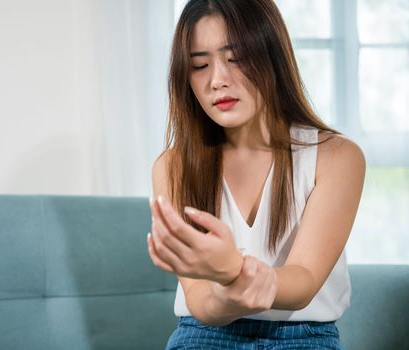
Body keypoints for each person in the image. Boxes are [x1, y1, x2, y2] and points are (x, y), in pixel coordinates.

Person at [146, 0, 366, 349]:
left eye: (236, 59)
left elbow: (304, 282)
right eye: (199, 65)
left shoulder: (336, 157)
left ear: (274, 57)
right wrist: (228, 289)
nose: (217, 80)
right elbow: (202, 303)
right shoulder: (173, 167)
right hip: (204, 335)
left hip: (303, 337)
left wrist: (232, 269)